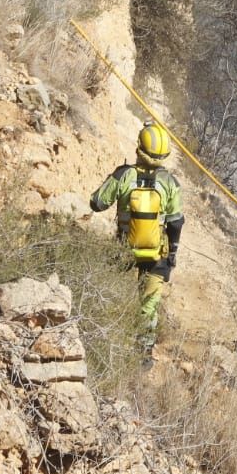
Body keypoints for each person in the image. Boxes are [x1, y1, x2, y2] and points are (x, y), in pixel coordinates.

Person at [90, 123, 185, 365]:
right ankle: (143, 356)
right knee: (149, 304)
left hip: (122, 250)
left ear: (139, 147)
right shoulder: (170, 183)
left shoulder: (124, 175)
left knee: (109, 294)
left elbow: (97, 203)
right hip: (157, 255)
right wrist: (171, 254)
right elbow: (175, 223)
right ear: (165, 154)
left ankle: (106, 340)